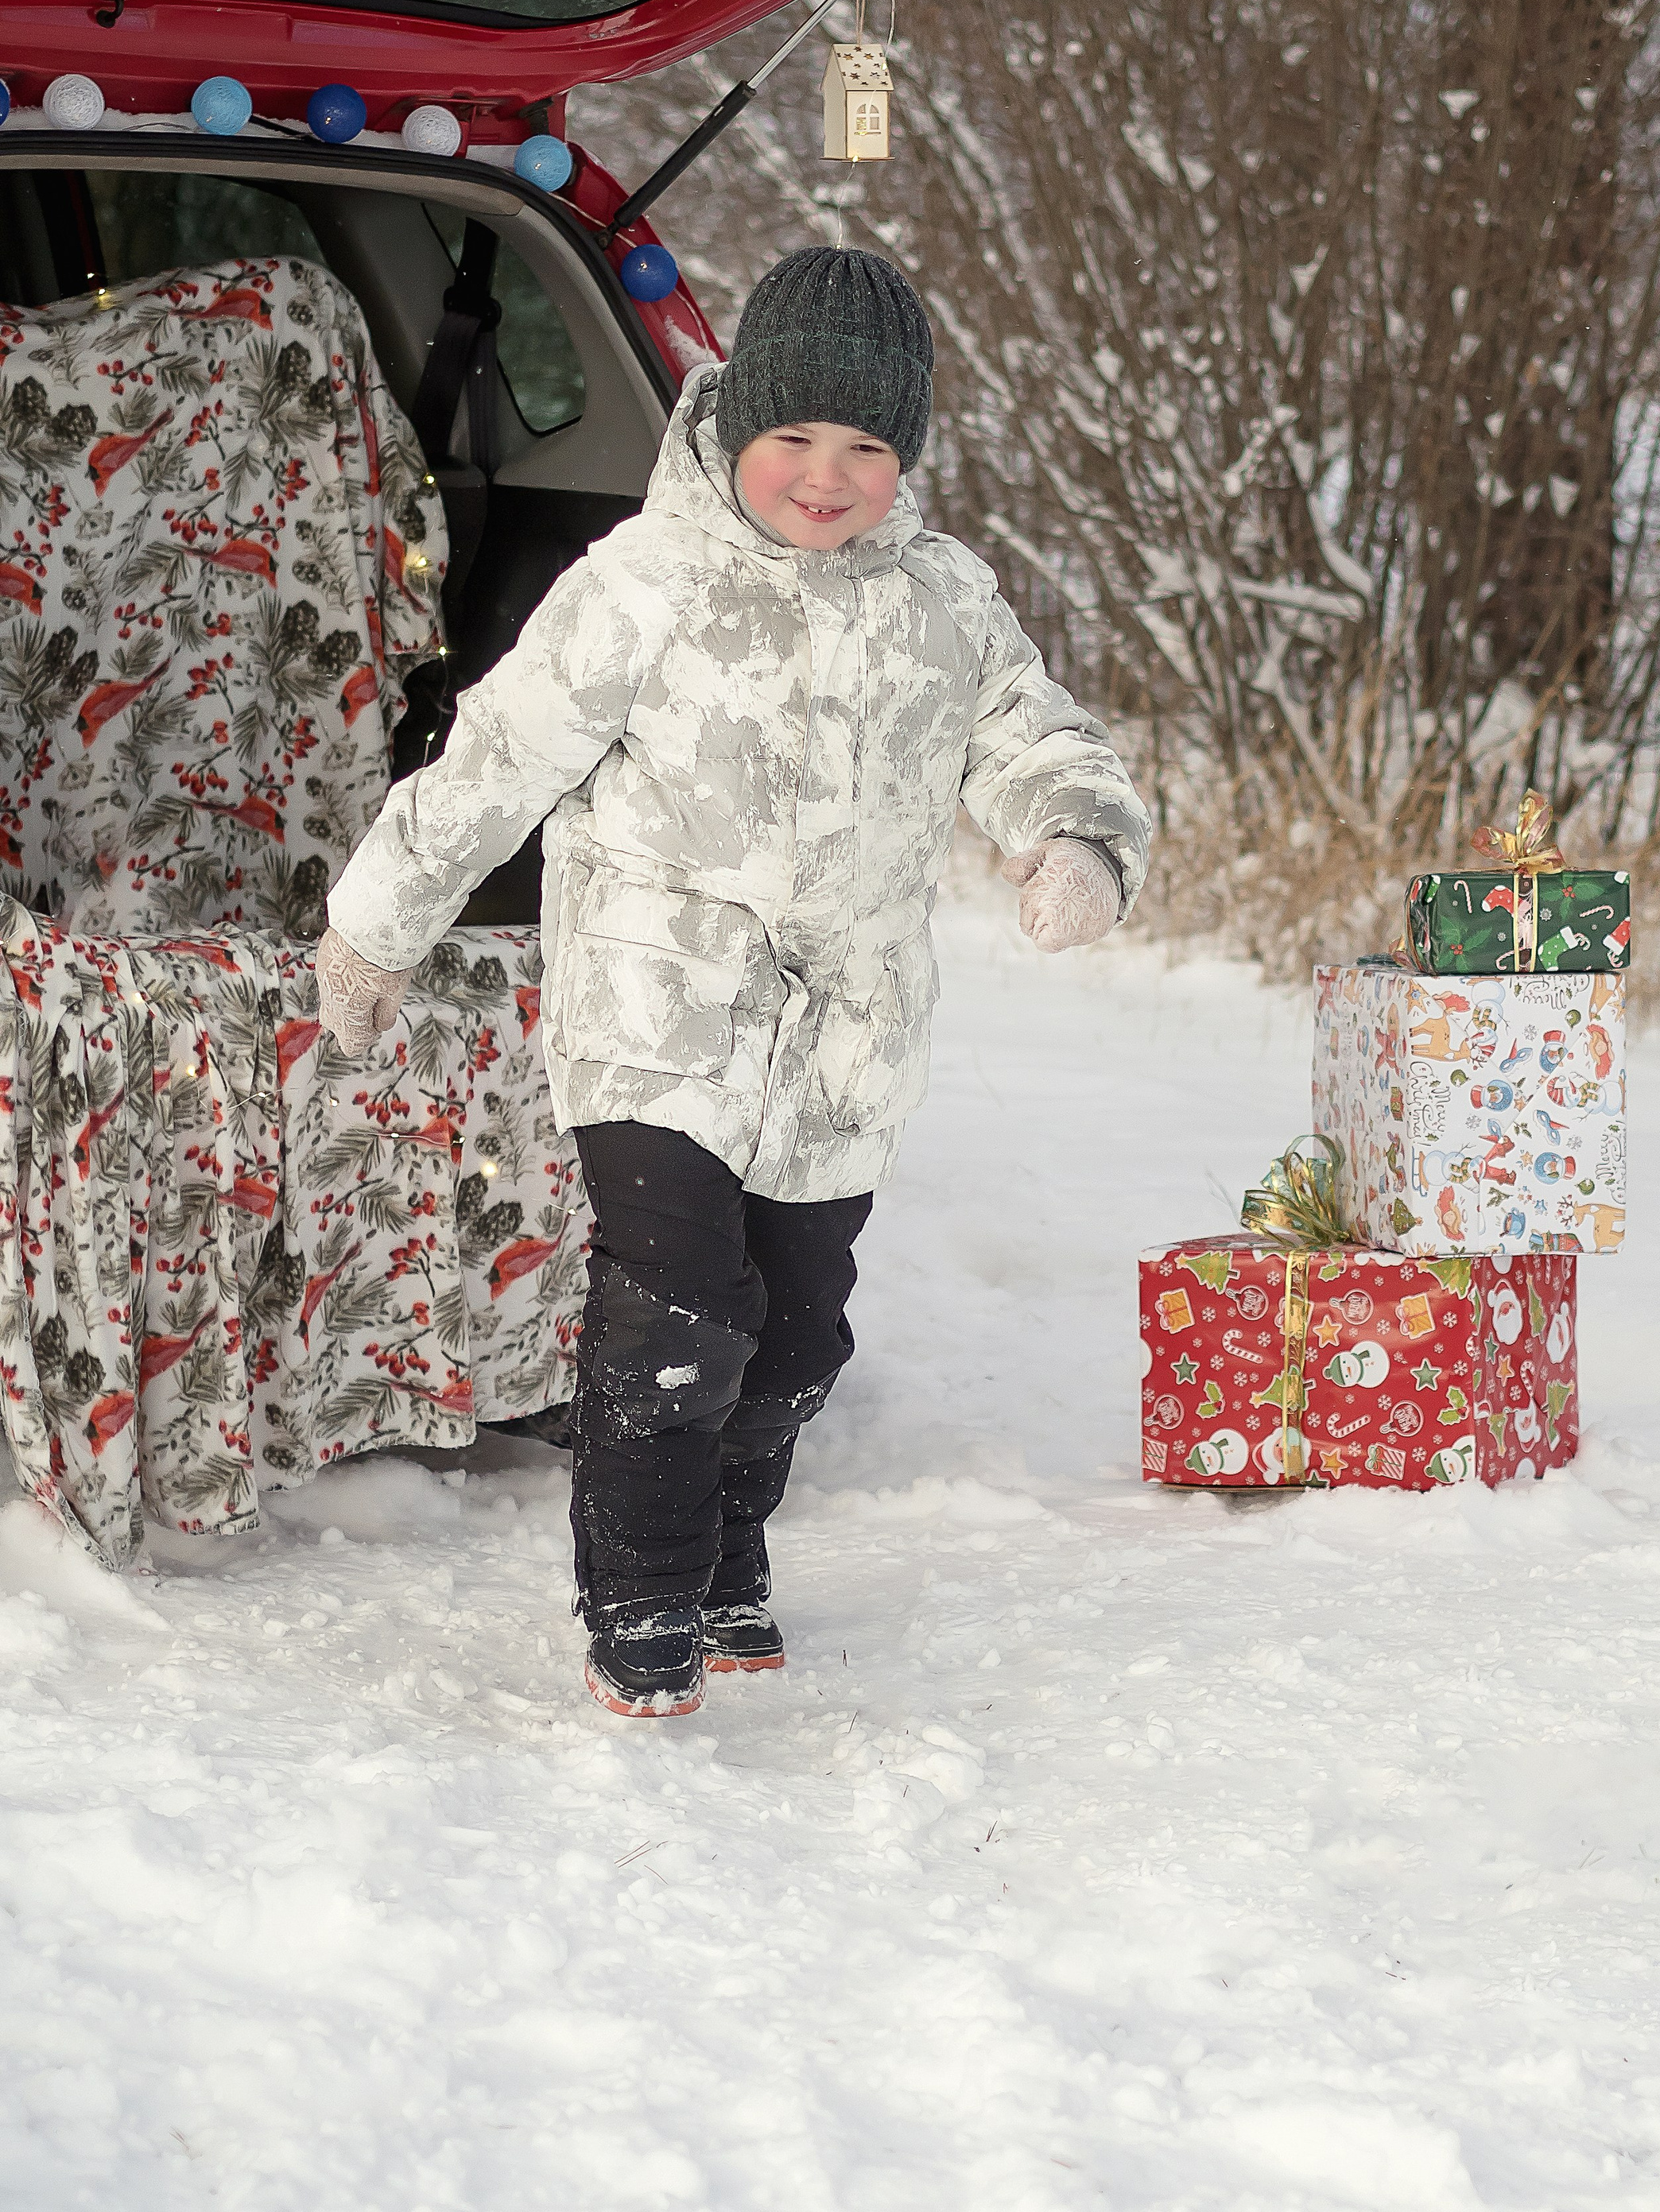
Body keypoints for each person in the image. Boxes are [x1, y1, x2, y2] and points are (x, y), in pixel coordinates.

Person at [314, 247, 1150, 1718]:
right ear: (731, 425)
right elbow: (493, 762)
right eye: (795, 439)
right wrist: (380, 924)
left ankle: (726, 1551)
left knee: (801, 1321)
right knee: (680, 1301)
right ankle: (639, 1591)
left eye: (868, 447)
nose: (826, 477)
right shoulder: (642, 586)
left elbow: (1036, 737)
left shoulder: (946, 600)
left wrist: (1072, 836)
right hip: (659, 1006)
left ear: (910, 456)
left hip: (846, 1030)